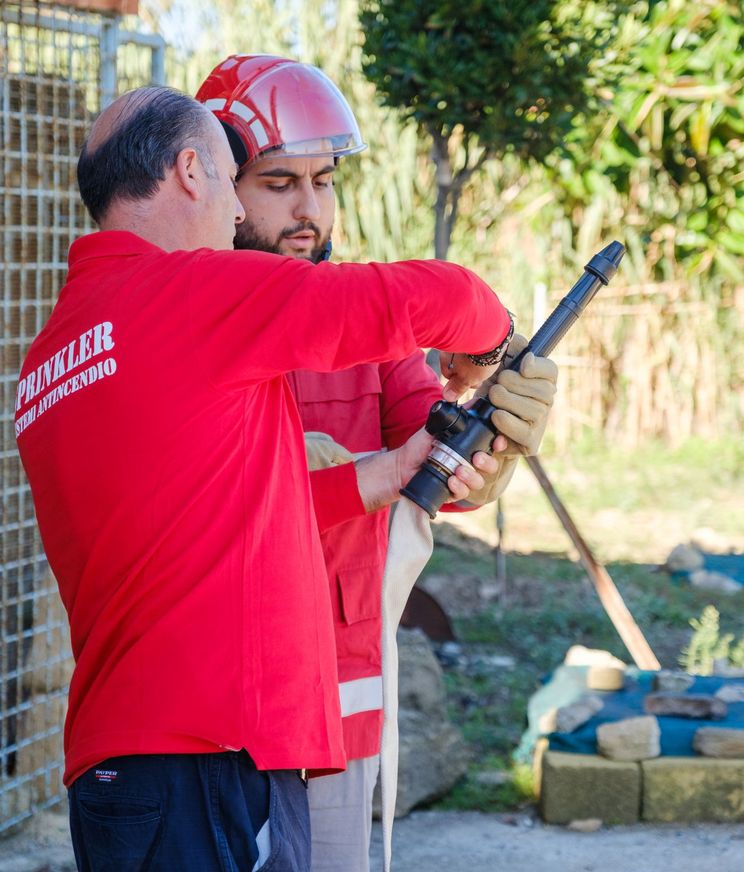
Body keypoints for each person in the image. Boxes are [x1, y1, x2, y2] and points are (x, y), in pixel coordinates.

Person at [14, 85, 517, 872]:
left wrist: (381, 476)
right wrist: (491, 345)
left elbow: (208, 521)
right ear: (189, 172)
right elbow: (431, 297)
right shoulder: (192, 291)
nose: (240, 217)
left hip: (120, 764)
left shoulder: (56, 353)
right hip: (206, 757)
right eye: (233, 181)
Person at [196, 56, 558, 872]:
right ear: (218, 182)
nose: (309, 210)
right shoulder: (188, 322)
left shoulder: (368, 328)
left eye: (323, 182)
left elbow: (432, 452)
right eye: (278, 183)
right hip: (212, 712)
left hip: (337, 703)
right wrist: (353, 475)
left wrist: (487, 441)